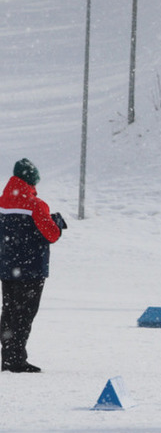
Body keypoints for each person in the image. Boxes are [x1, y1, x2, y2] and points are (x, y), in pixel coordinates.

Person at [1, 160, 67, 373]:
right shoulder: (36, 205)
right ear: (31, 180)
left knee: (10, 311)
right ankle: (16, 361)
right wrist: (56, 221)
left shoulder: (1, 202)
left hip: (6, 267)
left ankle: (8, 356)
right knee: (24, 313)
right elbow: (52, 234)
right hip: (31, 269)